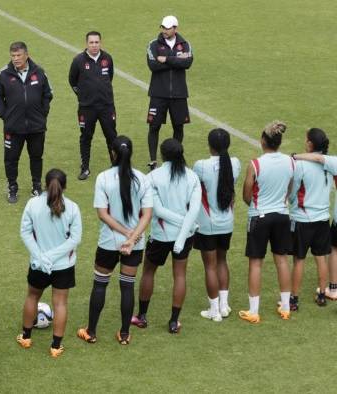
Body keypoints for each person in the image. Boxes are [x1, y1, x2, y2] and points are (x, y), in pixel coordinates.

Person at [76, 136, 152, 345]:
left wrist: (124, 232)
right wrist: (133, 236)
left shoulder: (103, 178)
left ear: (112, 153)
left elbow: (103, 214)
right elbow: (147, 215)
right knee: (127, 286)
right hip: (135, 245)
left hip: (108, 242)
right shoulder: (143, 179)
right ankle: (125, 334)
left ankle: (91, 331)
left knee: (100, 285)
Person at [132, 138, 200, 334]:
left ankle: (142, 316)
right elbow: (193, 211)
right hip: (185, 234)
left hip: (160, 235)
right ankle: (173, 321)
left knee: (148, 272)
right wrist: (187, 228)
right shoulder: (192, 177)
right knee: (179, 275)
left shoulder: (152, 177)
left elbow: (159, 211)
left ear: (162, 155)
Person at [17, 169, 82, 357]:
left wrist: (41, 257)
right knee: (60, 303)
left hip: (38, 265)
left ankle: (26, 337)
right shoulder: (73, 208)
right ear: (65, 186)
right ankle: (55, 347)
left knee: (32, 297)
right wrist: (53, 257)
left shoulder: (32, 204)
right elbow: (74, 240)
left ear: (45, 184)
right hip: (63, 266)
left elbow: (25, 232)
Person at [239, 121, 294, 323]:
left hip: (259, 216)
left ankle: (254, 311)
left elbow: (246, 194)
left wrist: (256, 204)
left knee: (255, 263)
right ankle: (286, 307)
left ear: (263, 141)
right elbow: (290, 188)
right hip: (282, 215)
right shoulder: (290, 161)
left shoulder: (255, 164)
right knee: (282, 261)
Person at [0, 42, 54, 204]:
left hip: (36, 126)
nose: (16, 59)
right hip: (13, 127)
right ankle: (12, 187)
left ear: (26, 55)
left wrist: (43, 113)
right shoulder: (4, 74)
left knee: (36, 156)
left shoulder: (39, 72)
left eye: (19, 55)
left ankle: (36, 186)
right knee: (11, 159)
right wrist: (5, 115)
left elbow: (48, 94)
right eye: (13, 56)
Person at [193, 129, 241, 322]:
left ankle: (214, 310)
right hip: (227, 222)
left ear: (210, 145)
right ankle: (224, 305)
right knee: (222, 261)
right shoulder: (235, 163)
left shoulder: (201, 166)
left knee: (210, 266)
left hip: (207, 224)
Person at [288, 130, 336, 309]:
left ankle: (294, 299)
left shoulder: (300, 165)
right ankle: (322, 295)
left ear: (310, 144)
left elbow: (293, 192)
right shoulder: (330, 163)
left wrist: (291, 203)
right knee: (320, 258)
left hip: (302, 218)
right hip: (323, 218)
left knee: (299, 259)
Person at [145, 15, 193, 171]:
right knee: (154, 127)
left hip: (179, 94)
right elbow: (153, 65)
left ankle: (175, 160)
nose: (164, 30)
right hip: (158, 94)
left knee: (178, 127)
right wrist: (175, 60)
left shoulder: (185, 44)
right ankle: (153, 161)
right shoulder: (153, 44)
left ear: (175, 28)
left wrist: (165, 59)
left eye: (168, 28)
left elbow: (187, 63)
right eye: (163, 27)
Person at [69, 31, 117, 180]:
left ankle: (116, 166)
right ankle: (85, 168)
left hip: (106, 106)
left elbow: (110, 77)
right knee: (85, 137)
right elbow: (72, 81)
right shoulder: (78, 61)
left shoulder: (107, 58)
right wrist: (83, 96)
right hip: (86, 107)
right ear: (86, 44)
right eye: (91, 42)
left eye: (97, 42)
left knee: (111, 136)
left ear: (100, 43)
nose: (94, 45)